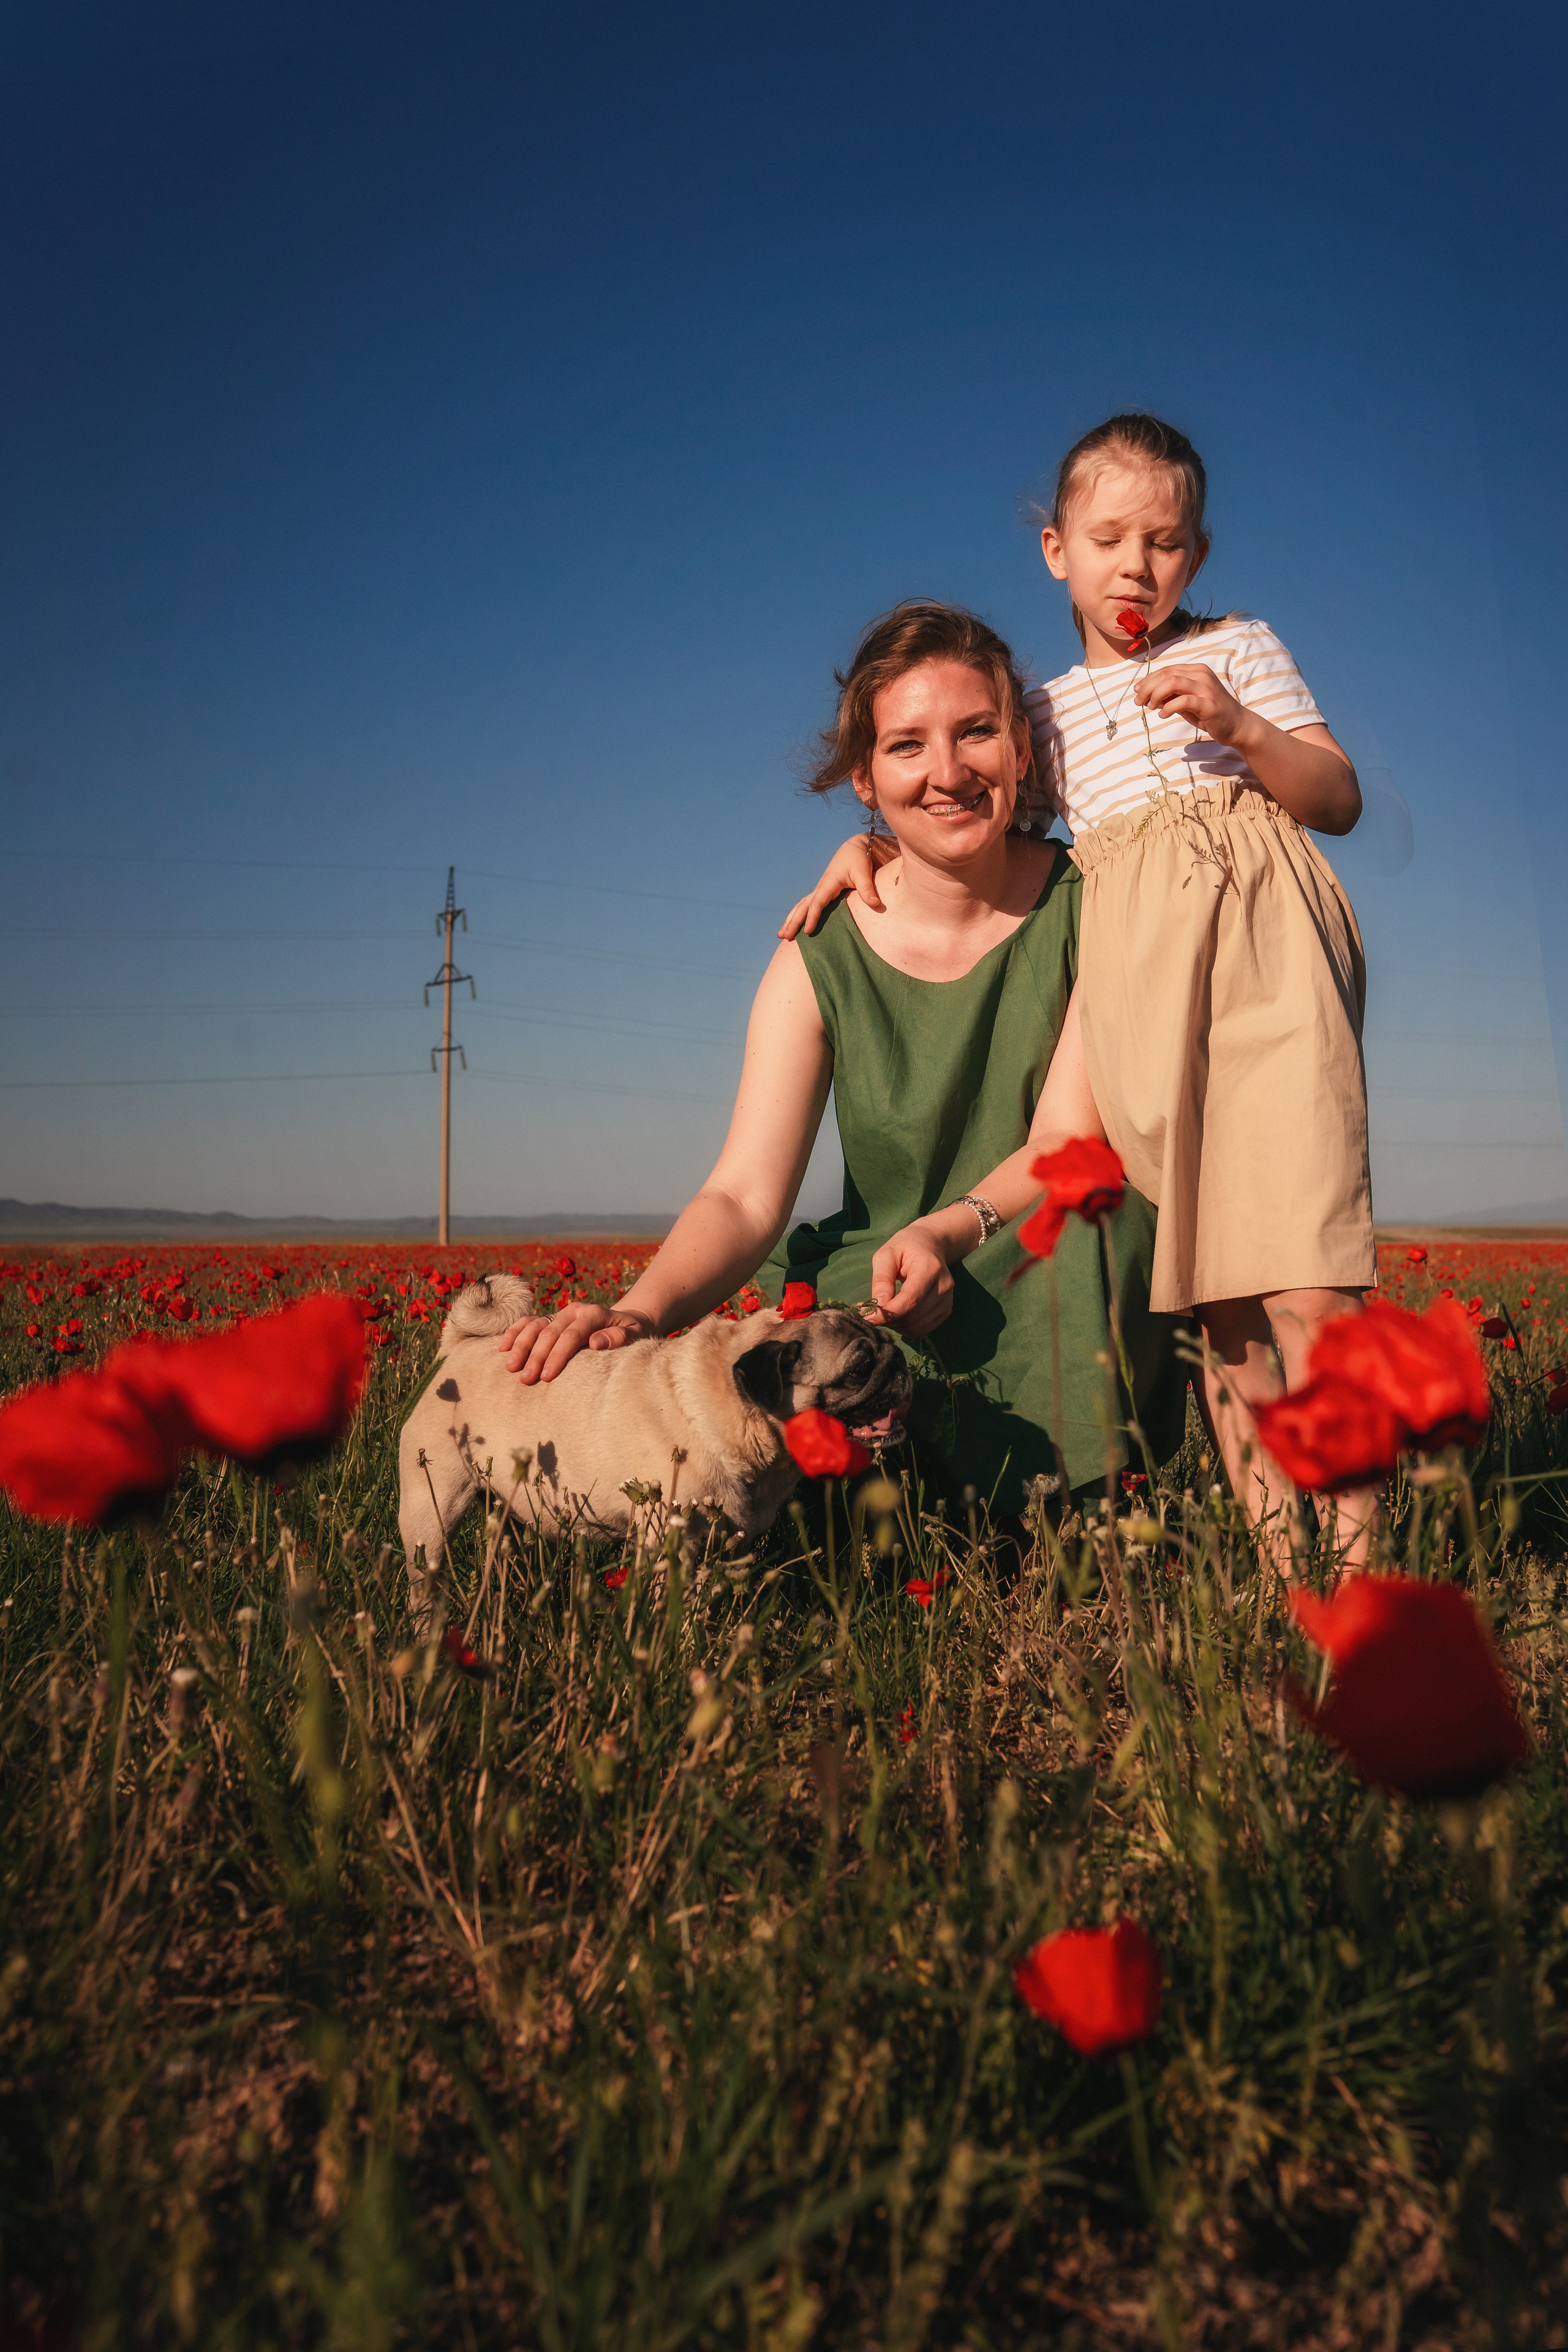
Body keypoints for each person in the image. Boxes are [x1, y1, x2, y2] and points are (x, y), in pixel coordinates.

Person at [783, 416, 1376, 1560]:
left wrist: (1243, 726)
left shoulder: (1242, 646)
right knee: (1220, 1297)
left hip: (1265, 961)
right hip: (1141, 984)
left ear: (1195, 558)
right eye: (1110, 538)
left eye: (1164, 541)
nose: (1136, 565)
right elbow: (974, 817)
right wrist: (863, 851)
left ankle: (1360, 1572)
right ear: (1058, 550)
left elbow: (1338, 798)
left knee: (1311, 1279)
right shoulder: (1042, 713)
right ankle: (1278, 1570)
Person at [497, 600, 1185, 1516]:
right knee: (782, 1341)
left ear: (1022, 746)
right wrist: (639, 1312)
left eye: (977, 732)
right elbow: (745, 1193)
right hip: (886, 1268)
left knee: (1092, 1239)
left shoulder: (1097, 901)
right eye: (907, 746)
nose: (947, 772)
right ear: (864, 778)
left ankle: (1077, 1515)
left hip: (1025, 1233)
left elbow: (1067, 1139)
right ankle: (858, 1517)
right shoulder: (818, 949)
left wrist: (951, 1232)